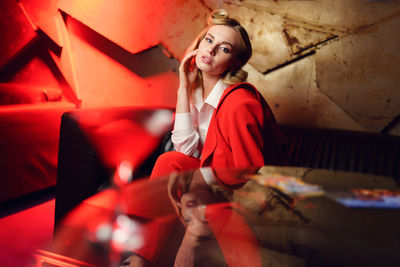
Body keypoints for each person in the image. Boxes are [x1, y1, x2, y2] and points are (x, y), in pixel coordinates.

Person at [150, 9, 289, 180]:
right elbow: (184, 151)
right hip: (204, 181)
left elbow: (249, 174)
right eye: (209, 40)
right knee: (170, 161)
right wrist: (184, 88)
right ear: (199, 44)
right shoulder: (194, 91)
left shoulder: (241, 103)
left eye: (224, 49)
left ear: (235, 63)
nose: (211, 50)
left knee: (168, 161)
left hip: (229, 189)